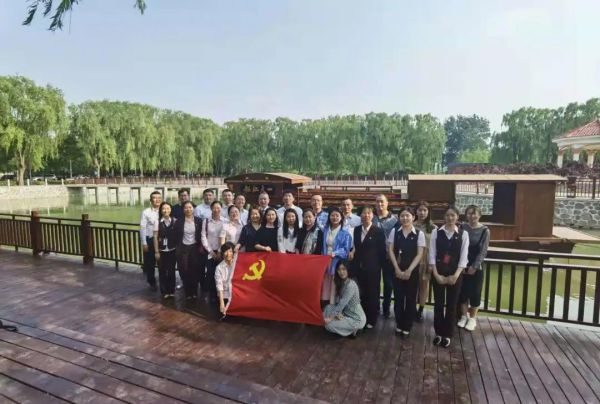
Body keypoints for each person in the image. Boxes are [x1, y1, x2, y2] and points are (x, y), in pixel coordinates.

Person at [429, 206, 469, 348]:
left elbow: (464, 257)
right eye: (447, 215)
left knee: (452, 305)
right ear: (444, 217)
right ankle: (438, 332)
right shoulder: (436, 232)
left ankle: (448, 334)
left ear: (457, 217)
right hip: (438, 272)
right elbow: (432, 255)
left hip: (455, 274)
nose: (450, 218)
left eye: (453, 215)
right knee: (438, 304)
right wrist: (436, 274)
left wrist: (455, 276)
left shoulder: (463, 234)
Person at [387, 207, 425, 336]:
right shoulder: (394, 232)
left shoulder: (419, 234)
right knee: (398, 298)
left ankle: (407, 326)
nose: (405, 218)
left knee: (410, 299)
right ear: (399, 218)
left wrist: (409, 270)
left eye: (407, 215)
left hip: (412, 272)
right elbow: (391, 250)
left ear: (413, 217)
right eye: (402, 216)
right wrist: (397, 269)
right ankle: (399, 324)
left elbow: (419, 254)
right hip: (396, 270)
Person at [350, 206, 386, 328]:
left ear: (372, 215)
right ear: (360, 215)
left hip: (373, 269)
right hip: (359, 268)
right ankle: (361, 318)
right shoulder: (356, 230)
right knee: (361, 293)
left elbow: (382, 251)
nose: (366, 215)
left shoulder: (378, 231)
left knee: (372, 294)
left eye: (369, 213)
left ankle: (371, 320)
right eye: (364, 213)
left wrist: (378, 267)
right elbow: (356, 247)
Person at [458, 205, 490, 332]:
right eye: (469, 213)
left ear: (479, 215)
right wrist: (461, 265)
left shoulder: (485, 230)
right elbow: (458, 246)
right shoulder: (462, 227)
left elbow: (483, 251)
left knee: (475, 293)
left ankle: (472, 318)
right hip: (462, 264)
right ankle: (463, 316)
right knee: (462, 292)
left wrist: (474, 266)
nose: (472, 216)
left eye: (474, 213)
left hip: (476, 266)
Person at [323, 260, 366, 337]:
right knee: (328, 308)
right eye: (339, 270)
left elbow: (341, 304)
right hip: (345, 313)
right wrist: (338, 313)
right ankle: (345, 327)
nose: (341, 272)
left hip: (356, 319)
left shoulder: (351, 285)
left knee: (328, 325)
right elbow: (338, 302)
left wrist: (330, 318)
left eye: (344, 269)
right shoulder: (341, 282)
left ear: (348, 269)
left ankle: (353, 330)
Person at [372, 194, 398, 318]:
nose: (380, 204)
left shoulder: (394, 219)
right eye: (377, 202)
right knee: (374, 282)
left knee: (388, 284)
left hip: (389, 257)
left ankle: (386, 306)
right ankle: (375, 306)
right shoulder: (372, 218)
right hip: (374, 256)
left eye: (382, 202)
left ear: (387, 203)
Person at [321, 207, 352, 304]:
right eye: (332, 215)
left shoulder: (345, 233)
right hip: (325, 260)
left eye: (337, 215)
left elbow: (346, 250)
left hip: (337, 261)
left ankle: (334, 305)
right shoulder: (325, 230)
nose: (334, 217)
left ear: (341, 217)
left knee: (335, 283)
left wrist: (335, 253)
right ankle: (325, 304)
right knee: (326, 283)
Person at [174, 201, 204, 299]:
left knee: (195, 270)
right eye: (186, 208)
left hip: (195, 248)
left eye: (190, 207)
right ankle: (188, 292)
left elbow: (202, 235)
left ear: (193, 209)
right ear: (183, 210)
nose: (188, 209)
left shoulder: (199, 221)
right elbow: (176, 236)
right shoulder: (179, 221)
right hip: (183, 248)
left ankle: (194, 292)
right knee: (184, 270)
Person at [414, 201, 437, 322]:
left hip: (426, 259)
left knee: (424, 286)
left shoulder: (433, 228)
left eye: (425, 210)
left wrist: (432, 263)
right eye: (420, 210)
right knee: (412, 285)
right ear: (416, 211)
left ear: (428, 212)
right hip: (413, 259)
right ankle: (411, 308)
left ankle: (420, 310)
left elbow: (435, 247)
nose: (422, 213)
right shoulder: (411, 225)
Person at [201, 201, 226, 302]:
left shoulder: (225, 221)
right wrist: (211, 252)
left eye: (218, 208)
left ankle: (222, 295)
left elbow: (225, 237)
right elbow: (203, 236)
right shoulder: (206, 221)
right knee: (211, 273)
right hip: (210, 251)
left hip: (222, 251)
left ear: (221, 209)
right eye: (214, 208)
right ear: (211, 209)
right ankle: (213, 295)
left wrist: (220, 251)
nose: (216, 210)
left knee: (222, 274)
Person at [153, 202, 178, 298]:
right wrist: (156, 251)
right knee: (162, 271)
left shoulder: (175, 221)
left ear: (171, 210)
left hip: (172, 250)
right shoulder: (157, 222)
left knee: (171, 271)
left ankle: (171, 291)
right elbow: (155, 237)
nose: (166, 210)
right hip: (161, 250)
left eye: (168, 208)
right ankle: (164, 292)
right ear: (161, 210)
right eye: (163, 208)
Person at [140, 191, 162, 291]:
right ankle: (152, 282)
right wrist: (144, 243)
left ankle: (163, 282)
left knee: (162, 263)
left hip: (162, 240)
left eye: (159, 198)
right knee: (150, 263)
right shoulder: (146, 212)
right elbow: (142, 228)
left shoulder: (165, 210)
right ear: (150, 200)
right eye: (154, 198)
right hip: (150, 240)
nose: (157, 200)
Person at [215, 242, 236, 316]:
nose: (228, 254)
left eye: (230, 251)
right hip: (225, 294)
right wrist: (221, 302)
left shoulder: (237, 264)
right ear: (222, 253)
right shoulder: (219, 268)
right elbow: (219, 286)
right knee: (224, 314)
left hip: (236, 294)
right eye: (226, 251)